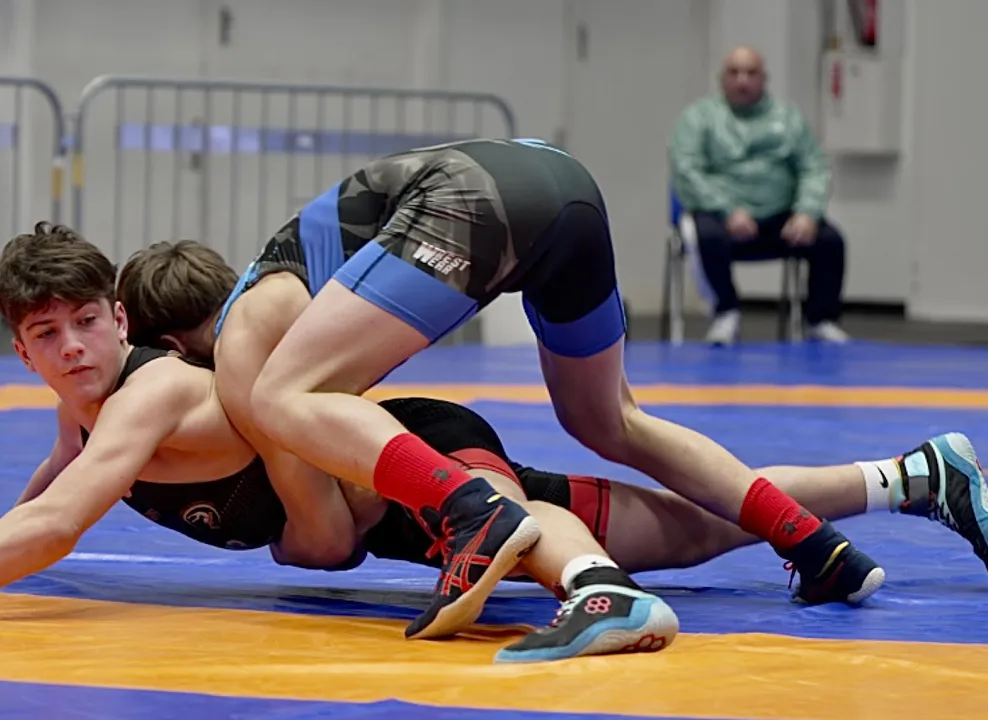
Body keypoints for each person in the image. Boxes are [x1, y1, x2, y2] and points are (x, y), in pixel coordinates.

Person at [0, 223, 676, 663]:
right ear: (20, 348)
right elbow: (51, 486)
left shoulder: (150, 392)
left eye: (87, 323)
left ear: (124, 320)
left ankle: (606, 596)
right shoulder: (87, 399)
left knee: (540, 522)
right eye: (48, 335)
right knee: (691, 529)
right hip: (388, 516)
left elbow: (60, 524)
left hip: (413, 464)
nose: (73, 348)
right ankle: (814, 526)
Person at [167, 138, 889, 639]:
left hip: (472, 200)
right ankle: (817, 547)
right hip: (565, 189)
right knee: (610, 420)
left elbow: (325, 543)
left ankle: (472, 510)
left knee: (282, 398)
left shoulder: (242, 332)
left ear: (174, 348)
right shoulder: (290, 275)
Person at [670, 45, 850, 346]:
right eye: (735, 72)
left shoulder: (788, 118)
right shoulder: (698, 119)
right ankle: (725, 313)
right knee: (705, 235)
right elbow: (687, 171)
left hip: (780, 216)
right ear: (722, 79)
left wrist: (807, 211)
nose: (743, 80)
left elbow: (814, 167)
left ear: (764, 79)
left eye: (751, 73)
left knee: (830, 240)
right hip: (721, 217)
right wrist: (727, 210)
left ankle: (820, 319)